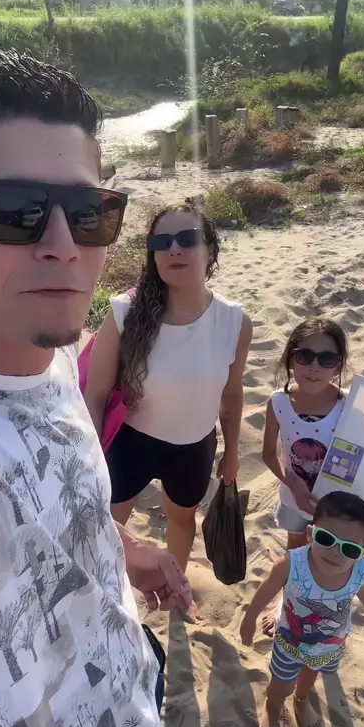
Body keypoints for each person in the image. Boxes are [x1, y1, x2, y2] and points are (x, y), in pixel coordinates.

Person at [0, 49, 191, 727]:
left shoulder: (48, 344)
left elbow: (49, 496)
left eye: (89, 213)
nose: (63, 243)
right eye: (13, 208)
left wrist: (120, 549)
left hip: (130, 703)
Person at [85, 205, 253, 575]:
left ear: (210, 249)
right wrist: (91, 458)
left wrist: (231, 453)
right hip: (130, 443)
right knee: (107, 528)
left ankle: (174, 589)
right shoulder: (125, 313)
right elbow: (95, 395)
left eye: (187, 239)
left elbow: (231, 394)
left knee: (182, 520)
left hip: (194, 446)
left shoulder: (234, 321)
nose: (174, 249)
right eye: (162, 242)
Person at [240, 491, 364, 727]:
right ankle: (273, 706)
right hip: (290, 643)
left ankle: (301, 700)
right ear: (310, 534)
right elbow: (266, 590)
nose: (335, 552)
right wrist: (250, 618)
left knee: (310, 675)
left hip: (328, 643)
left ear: (360, 553)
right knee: (282, 682)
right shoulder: (291, 565)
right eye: (326, 538)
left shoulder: (358, 570)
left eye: (349, 548)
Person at [261, 318, 349, 636]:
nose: (314, 366)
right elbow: (268, 455)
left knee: (332, 562)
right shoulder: (279, 402)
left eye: (327, 359)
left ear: (339, 365)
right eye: (305, 355)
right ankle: (285, 603)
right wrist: (293, 485)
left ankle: (320, 610)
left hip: (336, 508)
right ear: (291, 358)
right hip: (294, 500)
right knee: (296, 553)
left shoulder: (349, 405)